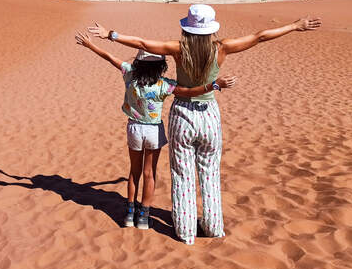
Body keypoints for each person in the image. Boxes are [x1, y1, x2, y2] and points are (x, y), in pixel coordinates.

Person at [87, 4, 321, 244]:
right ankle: (213, 227)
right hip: (209, 115)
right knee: (209, 173)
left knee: (182, 175)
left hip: (182, 115)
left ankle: (186, 232)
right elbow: (260, 36)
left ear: (187, 28)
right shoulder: (222, 48)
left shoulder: (179, 48)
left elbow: (144, 45)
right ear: (210, 28)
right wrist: (295, 26)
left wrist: (111, 35)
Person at [74, 30, 236, 230]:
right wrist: (213, 85)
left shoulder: (129, 74)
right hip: (153, 132)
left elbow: (109, 57)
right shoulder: (164, 85)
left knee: (134, 173)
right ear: (161, 66)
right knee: (149, 173)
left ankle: (130, 213)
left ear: (139, 63)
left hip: (134, 128)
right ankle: (144, 216)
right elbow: (189, 91)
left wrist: (90, 45)